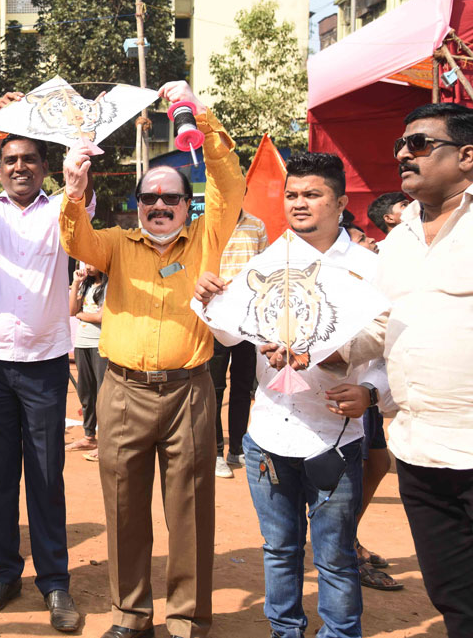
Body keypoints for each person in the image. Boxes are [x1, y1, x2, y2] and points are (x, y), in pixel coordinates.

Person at [58, 81, 245, 638]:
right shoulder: (114, 243)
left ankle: (187, 618)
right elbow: (76, 242)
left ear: (189, 206)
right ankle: (130, 615)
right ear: (136, 204)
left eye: (172, 199)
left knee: (189, 510)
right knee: (123, 508)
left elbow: (229, 181)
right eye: (150, 199)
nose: (160, 206)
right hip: (121, 392)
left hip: (190, 391)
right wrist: (73, 187)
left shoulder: (207, 239)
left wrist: (200, 116)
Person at [194, 152, 392, 638]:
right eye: (292, 195)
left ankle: (341, 633)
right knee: (280, 549)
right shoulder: (264, 263)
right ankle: (285, 631)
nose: (299, 204)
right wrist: (206, 298)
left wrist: (366, 388)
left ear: (341, 202)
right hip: (268, 432)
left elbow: (393, 348)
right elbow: (226, 336)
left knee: (335, 553)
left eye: (313, 194)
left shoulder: (372, 269)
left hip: (335, 435)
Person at [339, 103, 473, 637]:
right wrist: (315, 350)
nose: (403, 154)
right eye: (400, 147)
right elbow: (380, 326)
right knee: (455, 596)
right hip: (418, 450)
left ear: (468, 155)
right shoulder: (400, 239)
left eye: (420, 144)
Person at [0, 92, 93, 632]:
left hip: (42, 362)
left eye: (28, 159)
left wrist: (77, 171)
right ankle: (5, 572)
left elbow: (79, 199)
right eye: (10, 159)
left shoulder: (63, 211)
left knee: (45, 475)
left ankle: (55, 583)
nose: (19, 167)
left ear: (43, 167)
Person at [340, 217, 402, 592]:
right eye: (363, 239)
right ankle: (346, 549)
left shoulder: (379, 278)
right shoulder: (344, 278)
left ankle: (350, 539)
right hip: (349, 393)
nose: (373, 244)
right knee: (359, 468)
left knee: (378, 461)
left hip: (371, 390)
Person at [209, 209, 268, 479]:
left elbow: (265, 269)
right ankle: (215, 452)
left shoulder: (256, 225)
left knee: (243, 386)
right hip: (214, 316)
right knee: (214, 387)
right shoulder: (206, 224)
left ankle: (237, 449)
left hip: (247, 317)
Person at [69, 263, 106, 463]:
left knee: (103, 394)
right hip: (82, 344)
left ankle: (106, 443)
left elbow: (101, 317)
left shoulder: (109, 286)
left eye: (93, 262)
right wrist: (76, 283)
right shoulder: (86, 285)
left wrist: (81, 315)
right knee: (86, 392)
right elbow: (71, 309)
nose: (88, 266)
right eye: (85, 263)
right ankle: (89, 436)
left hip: (101, 346)